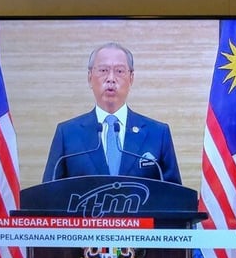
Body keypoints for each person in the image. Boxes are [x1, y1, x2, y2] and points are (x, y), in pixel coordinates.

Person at [42, 42, 182, 184]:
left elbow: (175, 199)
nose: (111, 78)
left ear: (131, 78)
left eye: (119, 71)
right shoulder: (67, 134)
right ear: (90, 77)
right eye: (103, 70)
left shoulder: (158, 134)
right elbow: (48, 197)